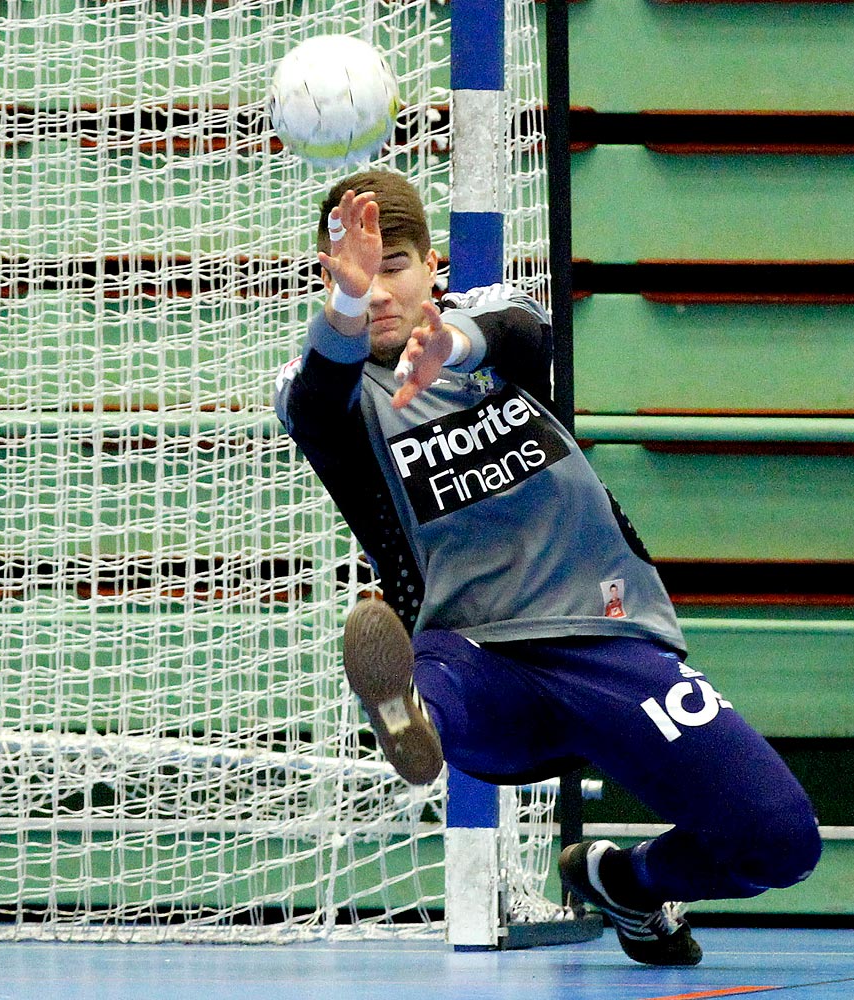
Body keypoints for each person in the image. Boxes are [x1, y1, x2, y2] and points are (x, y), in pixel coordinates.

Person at [274, 169, 822, 967]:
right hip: (478, 659)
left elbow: (524, 332)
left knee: (779, 839)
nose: (379, 287)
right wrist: (349, 307)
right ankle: (412, 715)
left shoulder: (493, 330)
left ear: (434, 267)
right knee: (439, 687)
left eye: (394, 264)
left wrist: (451, 344)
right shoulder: (330, 396)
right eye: (356, 272)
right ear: (332, 279)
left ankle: (629, 883)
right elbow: (316, 397)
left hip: (606, 641)